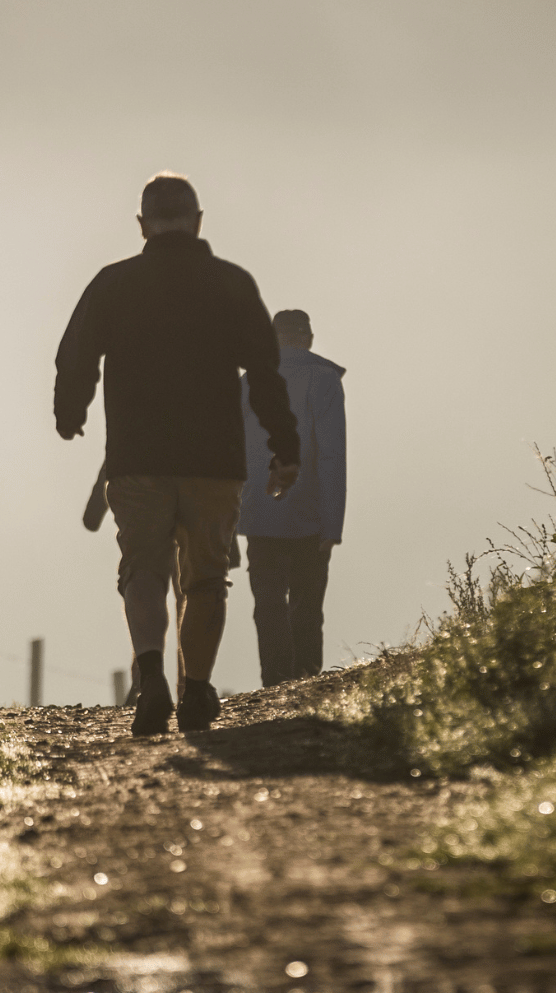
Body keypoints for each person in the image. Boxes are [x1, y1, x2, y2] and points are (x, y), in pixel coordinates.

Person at [54, 172, 299, 736]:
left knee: (142, 568)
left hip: (137, 458)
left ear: (142, 225)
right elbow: (264, 373)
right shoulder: (230, 285)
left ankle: (151, 677)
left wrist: (72, 412)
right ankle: (195, 690)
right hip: (212, 460)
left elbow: (75, 354)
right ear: (198, 222)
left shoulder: (114, 284)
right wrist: (284, 449)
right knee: (206, 578)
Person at [239, 310, 346, 686]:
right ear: (310, 338)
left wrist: (229, 520)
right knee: (307, 603)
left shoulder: (248, 381)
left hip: (257, 509)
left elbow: (232, 452)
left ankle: (275, 681)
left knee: (267, 600)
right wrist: (333, 524)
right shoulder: (325, 379)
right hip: (311, 512)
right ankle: (305, 681)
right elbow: (333, 454)